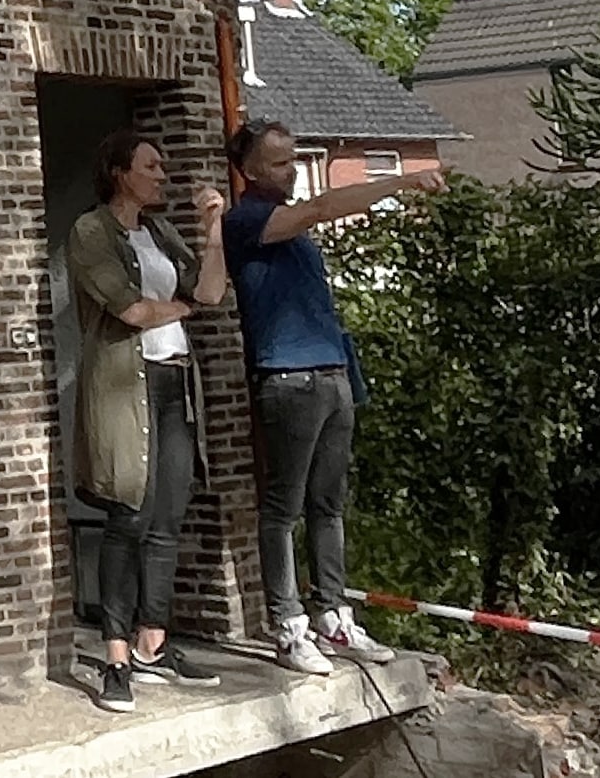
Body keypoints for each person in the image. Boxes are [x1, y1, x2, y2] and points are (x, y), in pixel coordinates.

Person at [222, 118, 441, 676]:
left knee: (328, 502)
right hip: (287, 379)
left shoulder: (293, 234)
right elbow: (319, 209)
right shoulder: (247, 220)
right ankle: (288, 624)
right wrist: (399, 184)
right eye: (277, 162)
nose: (289, 169)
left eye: (293, 159)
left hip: (331, 371)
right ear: (248, 170)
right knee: (283, 506)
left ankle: (334, 614)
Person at [63, 127, 230, 714]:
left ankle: (152, 644)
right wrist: (178, 308)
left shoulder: (159, 231)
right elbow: (130, 310)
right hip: (122, 388)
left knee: (168, 514)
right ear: (120, 173)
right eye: (152, 166)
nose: (162, 175)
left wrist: (214, 232)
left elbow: (209, 293)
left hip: (173, 383)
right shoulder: (90, 231)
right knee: (128, 515)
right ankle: (114, 657)